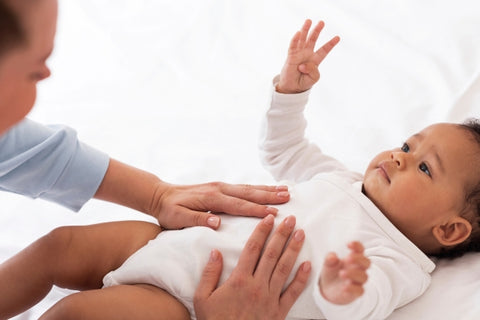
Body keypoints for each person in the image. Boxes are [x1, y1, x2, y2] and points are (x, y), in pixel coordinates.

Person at [3, 11, 480, 320]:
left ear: (451, 230)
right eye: (407, 145)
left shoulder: (399, 263)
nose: (400, 156)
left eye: (424, 169)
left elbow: (363, 303)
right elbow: (284, 151)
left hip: (188, 300)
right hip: (171, 240)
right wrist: (291, 94)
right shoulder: (343, 178)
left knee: (75, 316)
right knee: (57, 245)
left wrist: (340, 288)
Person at [0, 0, 312, 318]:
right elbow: (285, 149)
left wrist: (156, 194)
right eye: (36, 71)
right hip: (187, 266)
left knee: (65, 274)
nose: (47, 76)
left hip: (180, 259)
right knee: (69, 298)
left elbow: (25, 151)